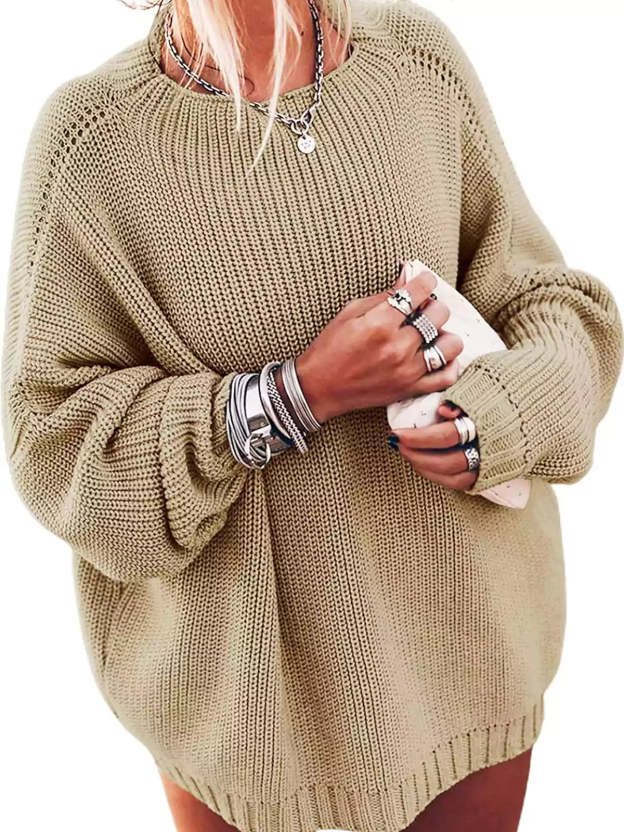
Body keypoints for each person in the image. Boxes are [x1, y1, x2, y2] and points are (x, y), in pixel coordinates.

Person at [2, 1, 622, 831]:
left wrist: (501, 415)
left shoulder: (416, 62)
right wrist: (295, 394)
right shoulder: (92, 144)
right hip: (241, 719)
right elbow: (54, 445)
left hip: (469, 656)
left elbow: (550, 305)